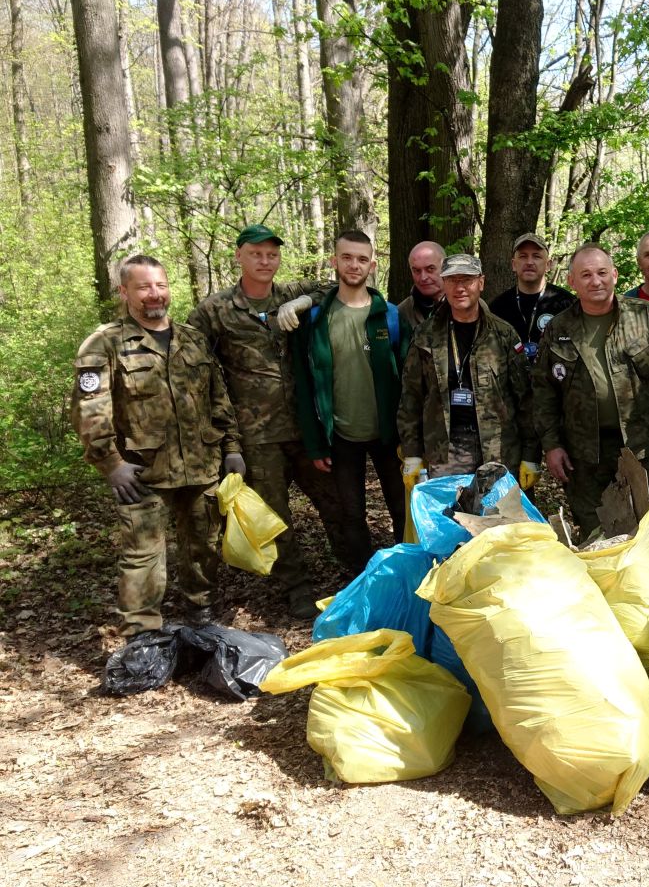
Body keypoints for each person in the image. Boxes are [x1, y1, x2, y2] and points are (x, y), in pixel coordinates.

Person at [72, 255, 242, 636]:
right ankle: (142, 634)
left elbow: (218, 399)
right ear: (124, 291)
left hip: (201, 466)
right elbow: (89, 411)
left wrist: (232, 448)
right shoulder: (105, 343)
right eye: (144, 287)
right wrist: (111, 464)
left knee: (203, 546)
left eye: (160, 285)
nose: (154, 294)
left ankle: (199, 612)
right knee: (143, 558)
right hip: (142, 471)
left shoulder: (192, 339)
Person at [188, 224, 348, 619]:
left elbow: (337, 286)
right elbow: (191, 362)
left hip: (306, 428)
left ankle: (355, 569)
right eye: (256, 254)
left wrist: (304, 302)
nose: (265, 261)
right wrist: (221, 436)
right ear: (239, 256)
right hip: (256, 435)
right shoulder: (215, 310)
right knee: (275, 516)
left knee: (336, 501)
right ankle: (297, 588)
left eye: (272, 254)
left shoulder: (289, 293)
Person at [531, 243, 649, 539]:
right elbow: (543, 393)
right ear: (572, 281)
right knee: (598, 534)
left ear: (614, 275)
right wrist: (551, 445)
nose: (596, 281)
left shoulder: (644, 316)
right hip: (585, 454)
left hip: (642, 445)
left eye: (602, 273)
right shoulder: (558, 328)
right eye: (586, 275)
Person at [293, 230, 405, 571]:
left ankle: (407, 574)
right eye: (346, 257)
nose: (354, 265)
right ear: (334, 261)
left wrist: (411, 438)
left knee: (401, 508)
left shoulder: (390, 315)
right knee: (352, 514)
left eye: (361, 259)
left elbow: (410, 381)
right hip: (340, 436)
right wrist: (315, 443)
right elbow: (304, 383)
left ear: (372, 265)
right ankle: (362, 578)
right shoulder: (316, 319)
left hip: (388, 434)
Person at [398, 253, 538, 483]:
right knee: (451, 507)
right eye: (452, 280)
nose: (459, 287)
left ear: (481, 283)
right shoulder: (425, 336)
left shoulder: (503, 334)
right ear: (444, 284)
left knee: (499, 507)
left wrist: (531, 456)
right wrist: (412, 454)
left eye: (467, 280)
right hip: (446, 451)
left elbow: (525, 399)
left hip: (498, 449)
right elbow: (411, 398)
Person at [489, 232, 576, 362]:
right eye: (523, 256)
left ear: (548, 265)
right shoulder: (497, 307)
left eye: (536, 256)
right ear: (513, 264)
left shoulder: (567, 304)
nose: (529, 262)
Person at [397, 241, 445, 335]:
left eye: (430, 269)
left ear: (444, 268)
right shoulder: (402, 313)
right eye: (417, 271)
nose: (423, 278)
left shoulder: (463, 305)